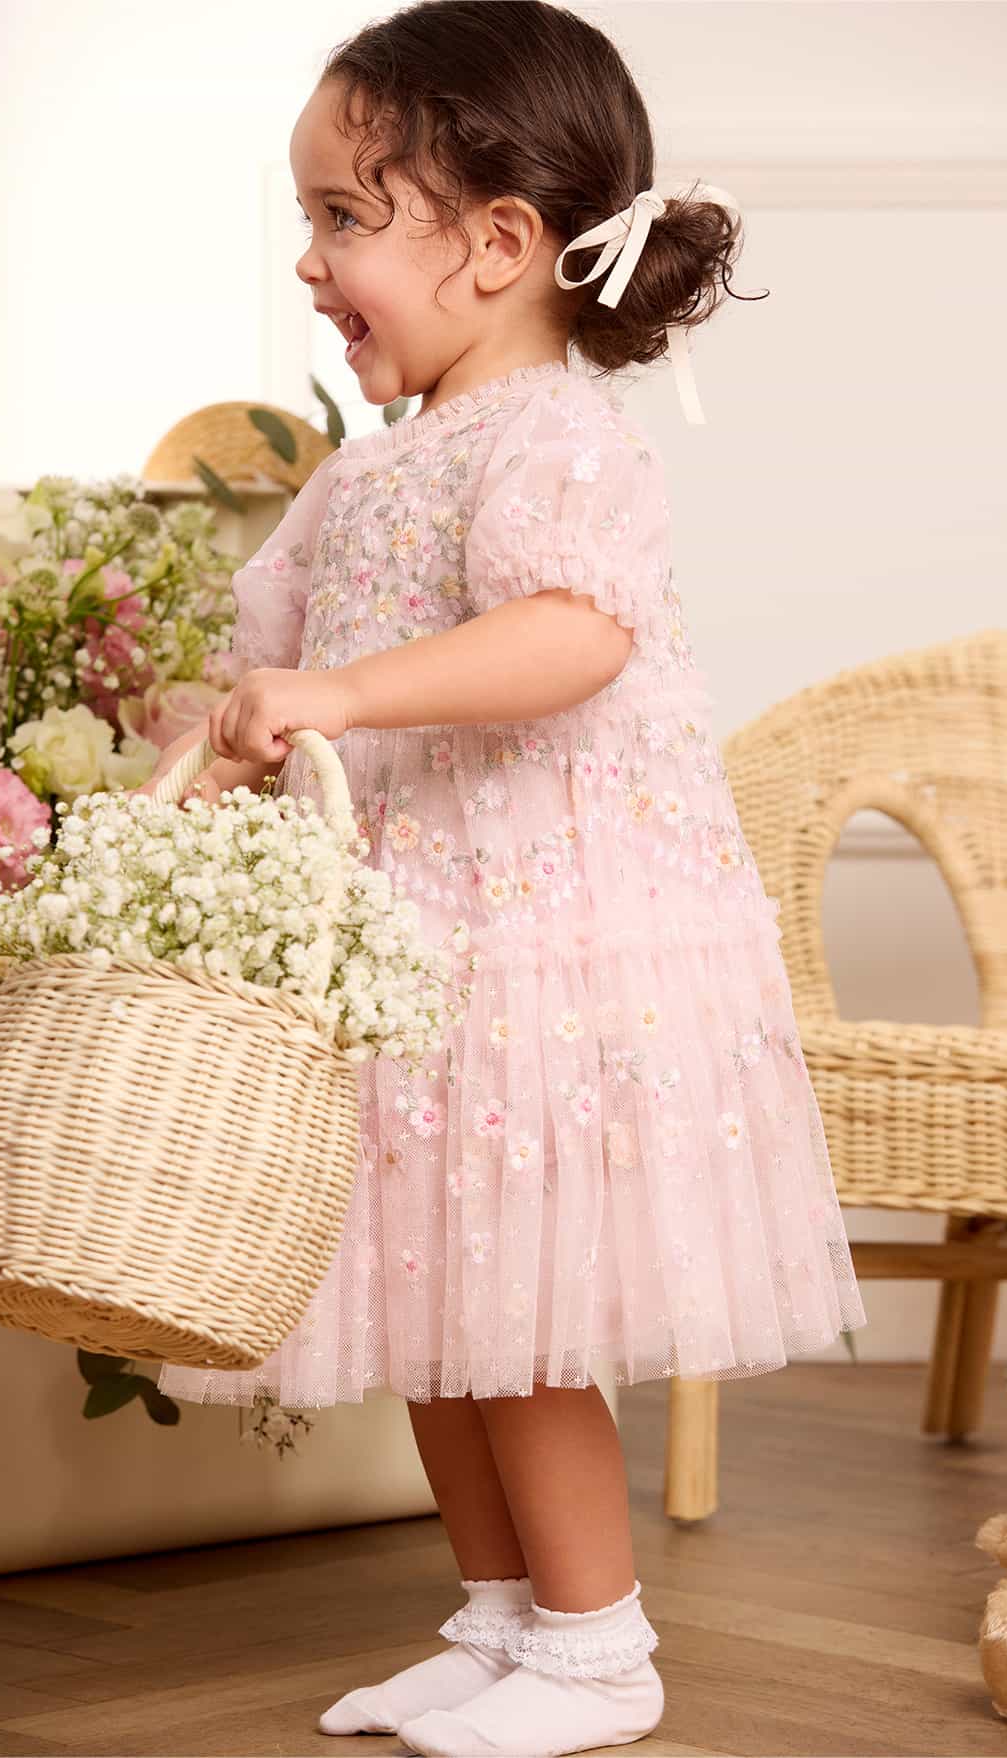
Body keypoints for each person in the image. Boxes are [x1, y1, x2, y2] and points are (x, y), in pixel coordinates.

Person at [147, 5, 869, 1753]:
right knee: (437, 1306)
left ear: (496, 244)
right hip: (409, 959)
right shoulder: (362, 473)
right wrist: (219, 730)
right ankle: (499, 1620)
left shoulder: (557, 440)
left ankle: (601, 1645)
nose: (309, 258)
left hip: (544, 948)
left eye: (342, 216)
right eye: (308, 218)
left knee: (524, 1319)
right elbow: (268, 661)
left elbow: (570, 636)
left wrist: (343, 694)